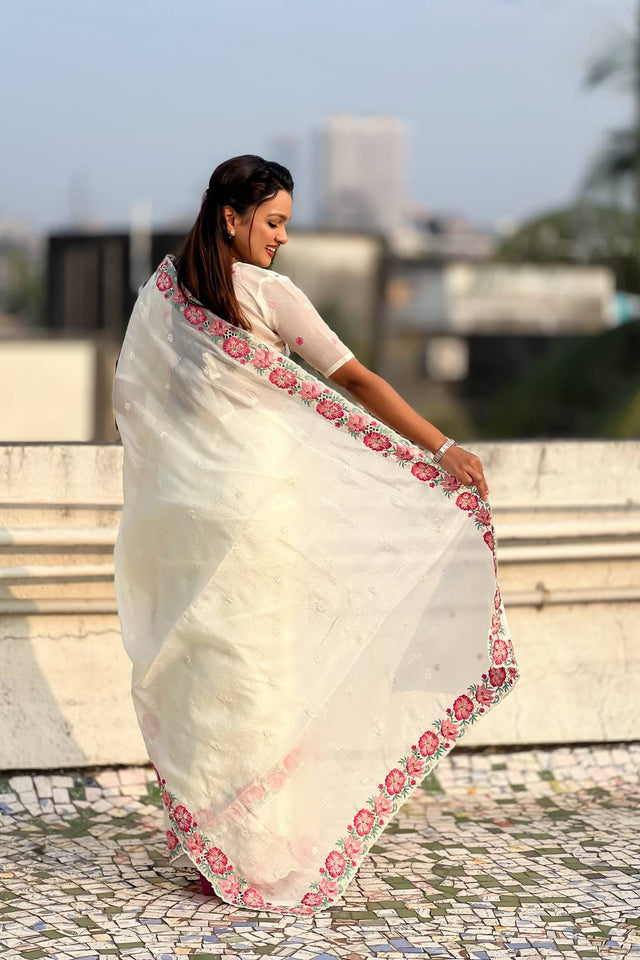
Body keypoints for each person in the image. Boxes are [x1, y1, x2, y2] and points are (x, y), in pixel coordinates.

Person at [112, 155, 519, 917]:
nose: (282, 238)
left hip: (191, 513)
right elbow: (354, 380)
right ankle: (261, 852)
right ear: (231, 217)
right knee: (261, 668)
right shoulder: (269, 294)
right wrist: (440, 447)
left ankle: (216, 845)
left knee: (209, 673)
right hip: (258, 507)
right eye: (273, 222)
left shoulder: (167, 297)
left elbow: (145, 408)